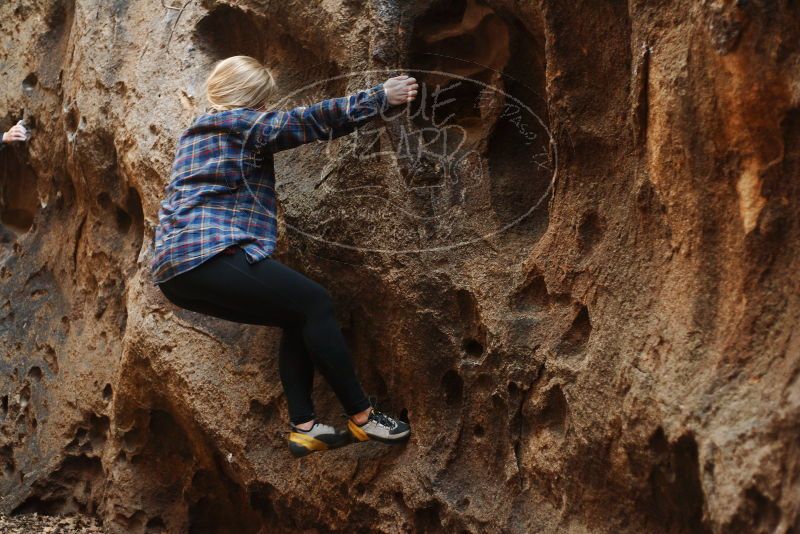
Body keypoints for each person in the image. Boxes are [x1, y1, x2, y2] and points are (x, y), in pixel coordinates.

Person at [150, 55, 419, 458]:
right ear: (249, 100)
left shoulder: (195, 133)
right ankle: (364, 418)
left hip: (176, 273)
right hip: (208, 252)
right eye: (263, 102)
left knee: (295, 314)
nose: (266, 110)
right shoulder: (236, 123)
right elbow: (306, 121)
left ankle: (305, 428)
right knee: (316, 302)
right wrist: (380, 96)